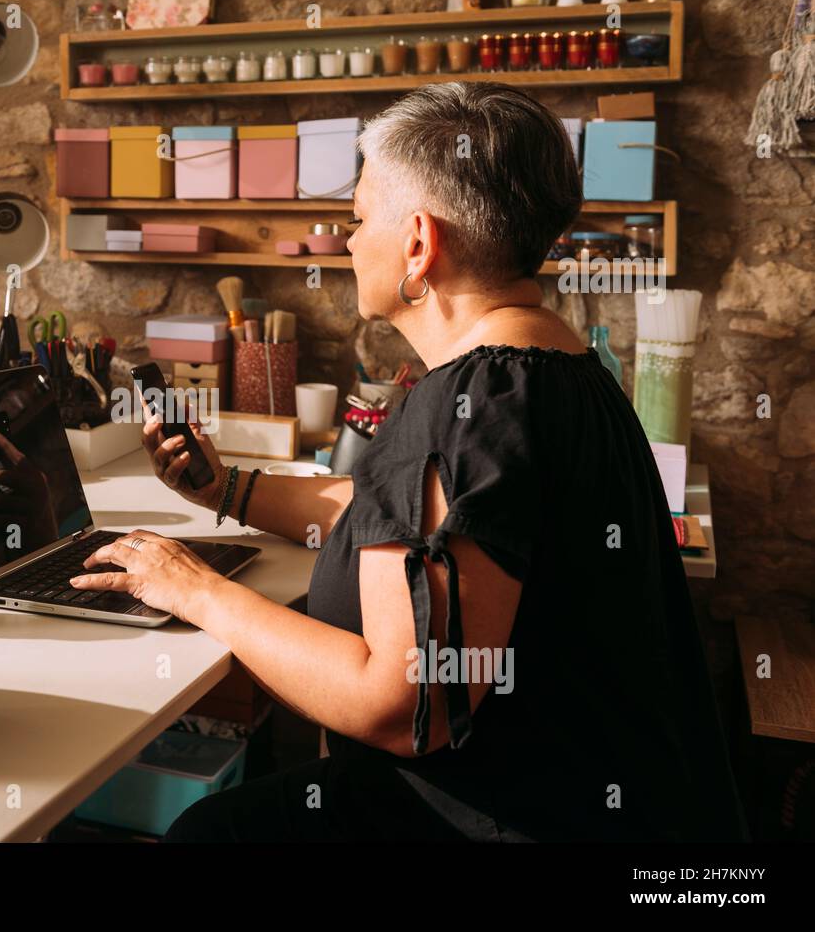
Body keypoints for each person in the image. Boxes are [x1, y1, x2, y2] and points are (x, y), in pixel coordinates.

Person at [69, 82, 746, 842]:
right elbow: (388, 513)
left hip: (509, 821)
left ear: (419, 244)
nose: (349, 241)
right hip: (631, 814)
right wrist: (225, 487)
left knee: (205, 833)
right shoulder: (559, 366)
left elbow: (401, 705)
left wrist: (194, 589)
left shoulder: (472, 403)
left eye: (360, 219)